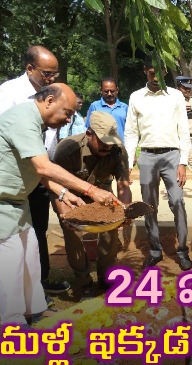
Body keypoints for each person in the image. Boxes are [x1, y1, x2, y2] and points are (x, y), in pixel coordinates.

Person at [0, 83, 119, 325]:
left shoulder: (37, 123)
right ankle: (14, 324)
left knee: (30, 254)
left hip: (14, 200)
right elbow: (44, 166)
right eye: (67, 112)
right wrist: (91, 190)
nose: (68, 120)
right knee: (11, 260)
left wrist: (63, 192)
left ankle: (35, 309)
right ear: (48, 101)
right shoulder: (24, 119)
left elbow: (37, 170)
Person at [0, 45, 70, 295]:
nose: (51, 79)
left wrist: (61, 191)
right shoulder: (9, 94)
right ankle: (16, 317)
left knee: (33, 240)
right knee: (12, 254)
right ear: (29, 68)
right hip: (3, 183)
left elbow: (43, 154)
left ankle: (38, 292)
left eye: (54, 75)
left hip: (34, 178)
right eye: (47, 73)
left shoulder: (51, 97)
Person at [123, 57, 192, 271]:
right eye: (152, 73)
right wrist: (127, 162)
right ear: (145, 71)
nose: (155, 78)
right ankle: (155, 250)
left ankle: (181, 250)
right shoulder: (136, 97)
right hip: (147, 157)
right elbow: (131, 133)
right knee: (149, 206)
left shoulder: (176, 97)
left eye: (159, 73)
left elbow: (184, 132)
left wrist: (183, 162)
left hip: (172, 156)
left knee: (177, 201)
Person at [52, 111, 131, 295]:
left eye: (111, 141)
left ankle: (106, 277)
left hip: (102, 194)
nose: (108, 146)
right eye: (103, 140)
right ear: (89, 134)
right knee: (73, 235)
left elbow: (123, 183)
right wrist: (65, 215)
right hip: (69, 195)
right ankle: (84, 280)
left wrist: (125, 210)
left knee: (111, 230)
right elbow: (55, 187)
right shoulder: (67, 150)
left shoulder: (118, 150)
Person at [176, 75, 192, 177]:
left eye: (189, 87)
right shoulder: (175, 100)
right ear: (178, 88)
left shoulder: (191, 100)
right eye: (184, 88)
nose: (187, 90)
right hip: (182, 139)